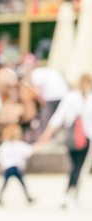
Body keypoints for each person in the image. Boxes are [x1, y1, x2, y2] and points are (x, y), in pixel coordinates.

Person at [36, 74, 92, 210]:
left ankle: (68, 194)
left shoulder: (70, 97)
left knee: (74, 166)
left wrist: (45, 136)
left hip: (71, 137)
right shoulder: (87, 98)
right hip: (86, 137)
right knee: (79, 167)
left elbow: (57, 118)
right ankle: (72, 195)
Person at [0, 124, 36, 207]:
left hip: (7, 168)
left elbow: (1, 156)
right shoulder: (19, 145)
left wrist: (2, 165)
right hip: (16, 167)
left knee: (5, 183)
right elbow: (29, 151)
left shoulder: (4, 145)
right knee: (22, 183)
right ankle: (28, 197)